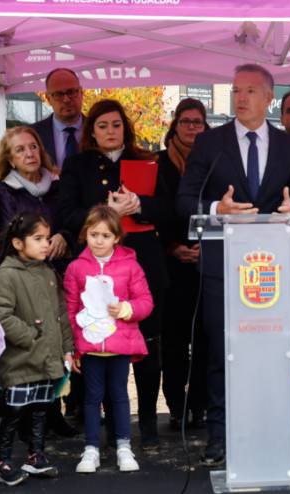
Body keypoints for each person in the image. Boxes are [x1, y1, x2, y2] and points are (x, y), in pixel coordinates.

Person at [177, 63, 290, 466]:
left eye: (250, 90)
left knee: (268, 351)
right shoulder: (210, 143)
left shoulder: (287, 146)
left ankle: (270, 432)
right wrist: (218, 209)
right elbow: (184, 201)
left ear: (269, 98)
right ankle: (219, 437)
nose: (241, 97)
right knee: (223, 351)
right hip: (223, 265)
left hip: (271, 268)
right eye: (236, 90)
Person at [57, 98, 172, 450]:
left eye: (116, 124)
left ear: (126, 128)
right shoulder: (77, 165)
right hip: (98, 268)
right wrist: (104, 213)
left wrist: (140, 205)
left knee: (148, 346)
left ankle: (149, 422)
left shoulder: (148, 160)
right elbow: (65, 213)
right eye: (103, 125)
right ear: (91, 131)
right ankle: (112, 427)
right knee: (104, 346)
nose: (110, 131)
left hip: (143, 264)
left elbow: (169, 209)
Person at [0, 212, 75, 486]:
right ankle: (1, 461)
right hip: (21, 360)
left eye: (47, 238)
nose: (45, 244)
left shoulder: (48, 272)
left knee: (40, 409)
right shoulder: (7, 275)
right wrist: (31, 337)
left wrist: (67, 349)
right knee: (14, 413)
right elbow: (0, 316)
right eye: (38, 238)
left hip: (47, 359)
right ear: (18, 243)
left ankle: (35, 456)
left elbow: (61, 314)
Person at [64, 205, 153, 474]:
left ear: (117, 237)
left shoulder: (130, 266)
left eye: (105, 235)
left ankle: (124, 446)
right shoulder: (76, 268)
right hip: (90, 347)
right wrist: (73, 347)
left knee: (119, 395)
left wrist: (127, 309)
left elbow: (146, 301)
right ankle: (91, 448)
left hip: (119, 345)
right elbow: (69, 309)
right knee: (91, 397)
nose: (99, 241)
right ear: (85, 234)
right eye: (94, 235)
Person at [158, 98, 210, 431]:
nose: (191, 127)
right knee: (174, 342)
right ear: (175, 125)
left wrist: (207, 247)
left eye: (197, 122)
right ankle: (177, 406)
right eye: (185, 121)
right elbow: (154, 212)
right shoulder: (159, 163)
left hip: (207, 262)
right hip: (171, 264)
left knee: (205, 340)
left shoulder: (214, 162)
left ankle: (200, 406)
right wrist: (173, 247)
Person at [31, 68, 85, 169]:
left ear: (81, 93)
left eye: (71, 92)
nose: (66, 99)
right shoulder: (33, 135)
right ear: (48, 99)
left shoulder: (99, 130)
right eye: (58, 94)